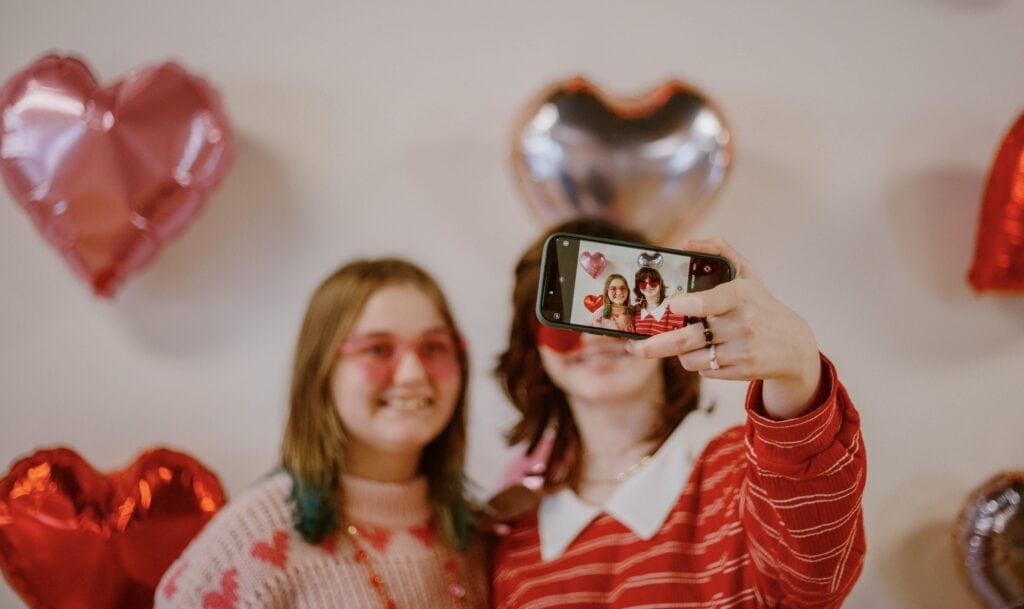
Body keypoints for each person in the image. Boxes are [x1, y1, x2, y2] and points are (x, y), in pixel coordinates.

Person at [491, 218, 865, 608]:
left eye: (621, 305)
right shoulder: (512, 539)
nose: (594, 334)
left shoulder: (749, 472)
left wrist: (798, 373)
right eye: (565, 317)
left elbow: (816, 574)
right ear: (532, 349)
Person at [155, 259, 488, 609]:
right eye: (378, 349)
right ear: (321, 370)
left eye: (434, 347)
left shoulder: (477, 538)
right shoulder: (255, 538)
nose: (412, 374)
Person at [632, 265, 687, 335]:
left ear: (660, 283)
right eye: (643, 283)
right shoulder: (634, 311)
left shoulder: (675, 308)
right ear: (638, 287)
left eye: (653, 282)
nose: (648, 286)